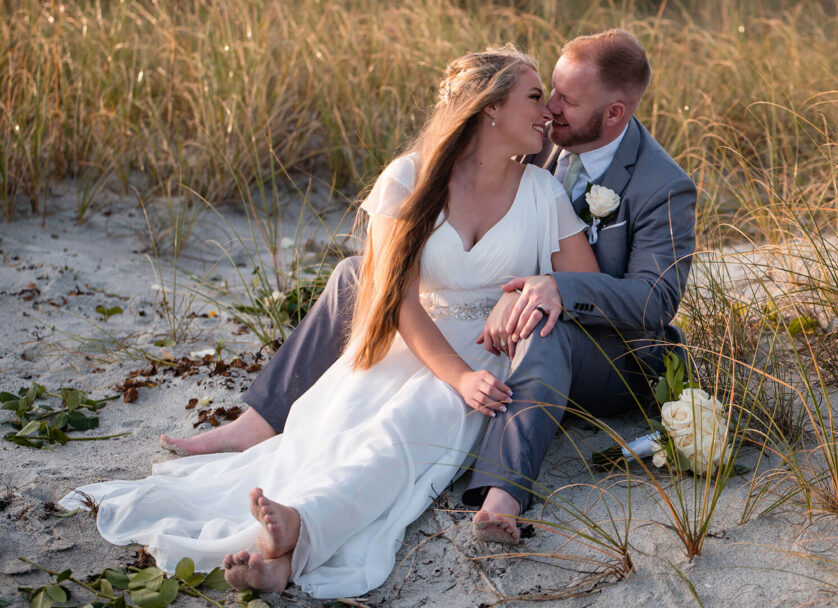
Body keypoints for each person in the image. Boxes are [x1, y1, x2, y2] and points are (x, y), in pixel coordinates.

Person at [60, 45, 598, 598]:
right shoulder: (408, 178)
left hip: (488, 357)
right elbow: (397, 299)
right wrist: (455, 374)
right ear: (489, 108)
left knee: (397, 439)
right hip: (411, 345)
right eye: (534, 97)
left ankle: (295, 534)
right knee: (333, 437)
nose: (548, 111)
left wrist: (537, 288)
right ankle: (286, 552)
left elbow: (586, 285)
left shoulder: (542, 192)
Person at [161, 29, 697, 545]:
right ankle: (257, 422)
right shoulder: (536, 143)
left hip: (607, 344)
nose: (552, 107)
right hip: (491, 316)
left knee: (534, 329)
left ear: (614, 114)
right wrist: (527, 288)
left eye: (565, 100)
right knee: (357, 276)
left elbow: (653, 301)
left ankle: (502, 494)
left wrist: (545, 287)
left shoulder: (661, 185)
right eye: (547, 93)